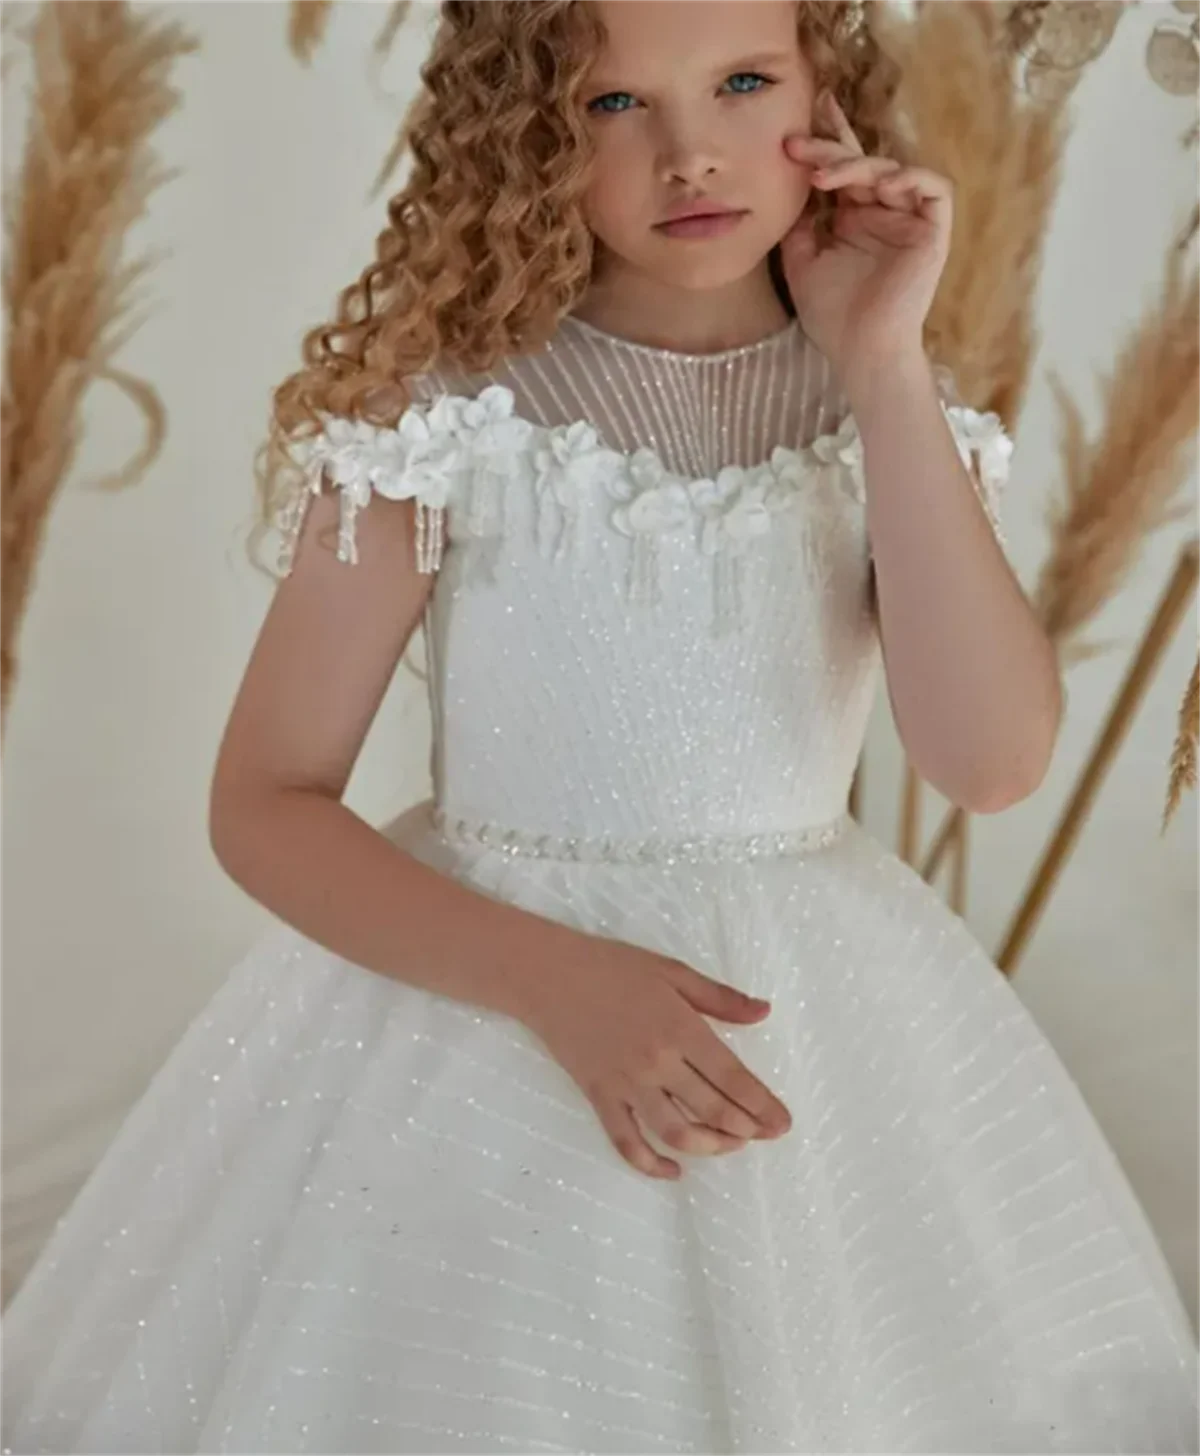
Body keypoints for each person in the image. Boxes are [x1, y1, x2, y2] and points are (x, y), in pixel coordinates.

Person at [3, 0, 1198, 1451]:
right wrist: (556, 983)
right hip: (482, 1029)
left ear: (825, 88)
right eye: (610, 104)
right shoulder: (442, 417)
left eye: (743, 82)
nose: (691, 153)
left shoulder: (885, 409)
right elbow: (264, 802)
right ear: (522, 133)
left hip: (815, 1030)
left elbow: (991, 764)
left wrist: (885, 367)